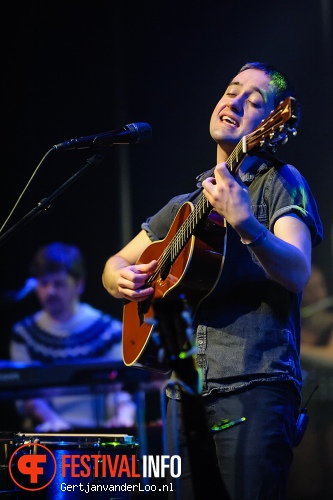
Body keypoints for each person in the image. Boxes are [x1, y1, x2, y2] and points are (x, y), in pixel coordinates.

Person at [102, 62, 323, 500]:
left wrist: (248, 225)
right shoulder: (184, 204)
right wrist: (120, 280)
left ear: (270, 124)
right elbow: (114, 264)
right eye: (231, 90)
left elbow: (297, 272)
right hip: (183, 396)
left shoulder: (281, 182)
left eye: (255, 101)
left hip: (254, 386)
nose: (235, 102)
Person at [10, 242, 136, 432]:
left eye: (59, 283)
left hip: (101, 437)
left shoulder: (110, 330)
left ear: (79, 284)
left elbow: (120, 389)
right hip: (46, 439)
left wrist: (125, 413)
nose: (50, 291)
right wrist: (57, 427)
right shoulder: (24, 333)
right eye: (44, 284)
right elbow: (28, 396)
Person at [287, 265, 333, 499]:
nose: (318, 295)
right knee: (305, 483)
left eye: (320, 287)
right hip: (300, 411)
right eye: (310, 289)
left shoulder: (330, 321)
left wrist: (295, 346)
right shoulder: (291, 323)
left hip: (329, 408)